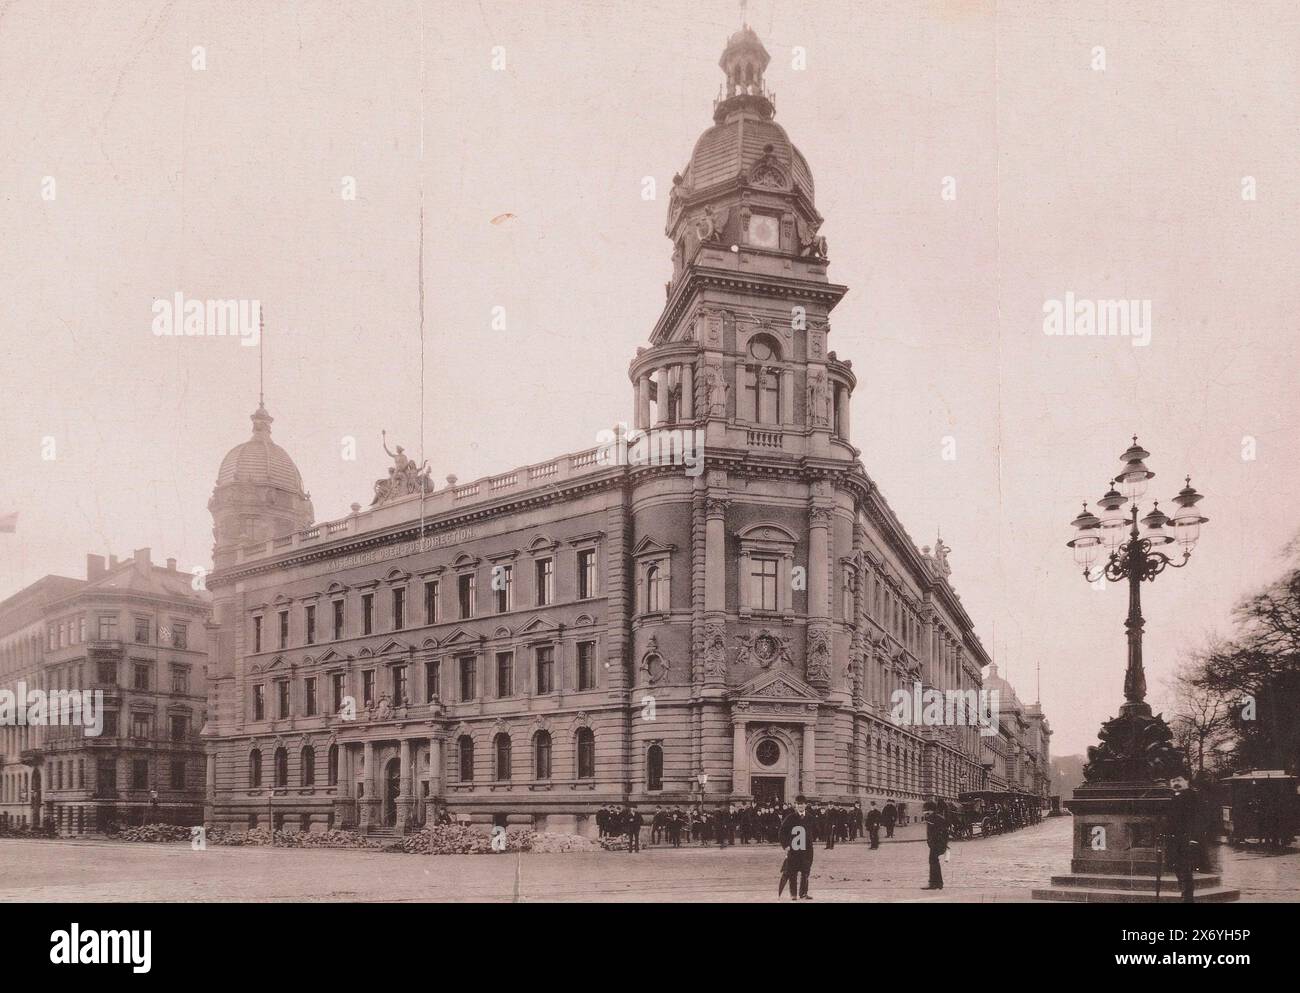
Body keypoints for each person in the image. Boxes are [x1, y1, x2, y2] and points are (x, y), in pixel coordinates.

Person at [1165, 775, 1200, 902]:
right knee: (1179, 869)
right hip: (1175, 841)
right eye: (1173, 781)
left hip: (1187, 839)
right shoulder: (1173, 797)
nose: (1176, 783)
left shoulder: (1192, 797)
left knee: (1185, 871)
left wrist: (1194, 838)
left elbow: (1197, 819)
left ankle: (1187, 899)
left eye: (1179, 780)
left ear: (1187, 781)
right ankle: (1184, 897)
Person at [780, 795, 815, 901]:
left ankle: (803, 893)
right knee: (792, 872)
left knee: (805, 871)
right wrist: (785, 845)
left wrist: (812, 838)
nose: (800, 806)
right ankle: (793, 894)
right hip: (794, 850)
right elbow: (782, 832)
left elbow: (816, 829)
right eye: (798, 804)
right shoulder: (790, 818)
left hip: (806, 850)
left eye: (802, 804)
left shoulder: (810, 817)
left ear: (805, 804)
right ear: (796, 805)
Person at [922, 797, 948, 891]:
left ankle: (934, 883)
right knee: (934, 862)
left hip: (936, 844)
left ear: (930, 810)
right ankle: (938, 883)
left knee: (933, 862)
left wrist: (935, 844)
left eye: (925, 810)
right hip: (936, 844)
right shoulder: (935, 817)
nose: (924, 812)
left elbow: (940, 833)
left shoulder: (934, 818)